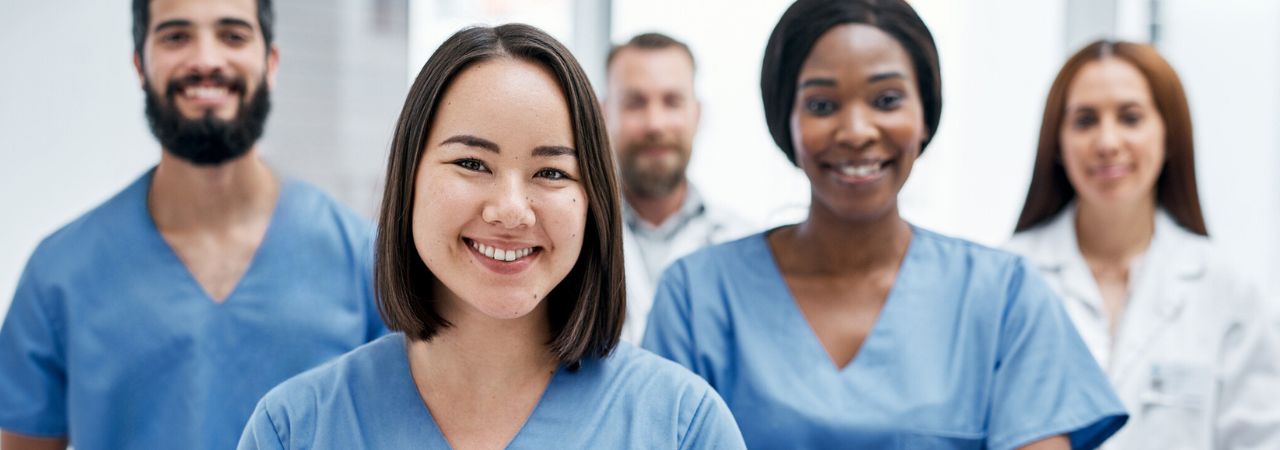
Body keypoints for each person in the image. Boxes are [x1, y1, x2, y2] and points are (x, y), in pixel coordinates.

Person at [643, 1, 1129, 449]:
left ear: (925, 116)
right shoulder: (698, 296)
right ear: (784, 121)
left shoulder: (1004, 297)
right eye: (822, 105)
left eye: (887, 99)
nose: (856, 131)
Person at [236, 24, 746, 450]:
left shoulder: (684, 426)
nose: (509, 210)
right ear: (409, 179)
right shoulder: (295, 429)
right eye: (471, 163)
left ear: (592, 202)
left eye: (551, 173)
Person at [0, 0, 387, 448]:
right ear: (139, 65)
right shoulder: (58, 275)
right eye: (176, 36)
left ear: (271, 62)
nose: (206, 60)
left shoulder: (366, 263)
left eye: (233, 35)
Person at [1006, 40, 1280, 449]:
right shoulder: (1009, 277)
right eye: (1085, 121)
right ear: (1057, 143)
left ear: (1169, 136)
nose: (1107, 141)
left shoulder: (1225, 289)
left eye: (1131, 118)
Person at [602, 33, 754, 342]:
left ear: (697, 114)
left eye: (672, 102)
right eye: (635, 103)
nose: (655, 124)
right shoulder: (573, 234)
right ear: (605, 114)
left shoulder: (742, 243)